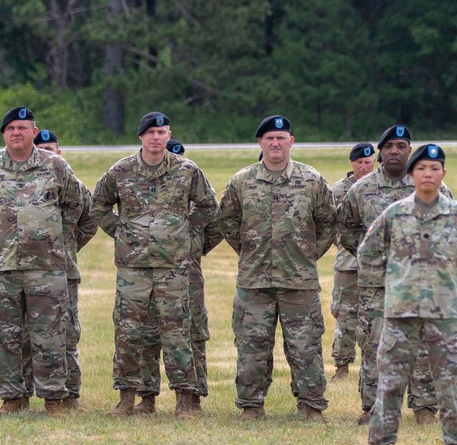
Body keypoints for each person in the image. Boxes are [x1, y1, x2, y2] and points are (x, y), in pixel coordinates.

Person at [356, 144, 457, 445]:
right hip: (401, 313)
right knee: (389, 385)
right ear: (412, 174)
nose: (428, 174)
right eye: (421, 169)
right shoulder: (394, 214)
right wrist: (396, 278)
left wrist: (451, 272)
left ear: (443, 173)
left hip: (443, 314)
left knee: (450, 386)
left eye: (434, 168)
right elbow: (367, 254)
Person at [92, 112, 220, 419]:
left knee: (178, 333)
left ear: (168, 134)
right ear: (141, 137)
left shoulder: (187, 170)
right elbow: (99, 205)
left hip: (173, 268)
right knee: (129, 332)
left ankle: (185, 400)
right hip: (133, 269)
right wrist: (123, 233)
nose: (156, 137)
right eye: (150, 132)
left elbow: (208, 206)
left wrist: (185, 235)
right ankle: (126, 399)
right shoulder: (121, 170)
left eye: (161, 132)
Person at [0, 107, 86, 415]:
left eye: (23, 127)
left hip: (46, 269)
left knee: (50, 335)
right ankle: (12, 397)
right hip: (1, 268)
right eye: (11, 128)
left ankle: (54, 398)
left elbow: (74, 205)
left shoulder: (55, 165)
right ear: (4, 134)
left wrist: (56, 238)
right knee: (4, 336)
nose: (16, 132)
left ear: (34, 132)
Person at [217, 115, 336, 422]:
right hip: (254, 282)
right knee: (252, 348)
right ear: (260, 143)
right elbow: (227, 221)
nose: (275, 143)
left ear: (291, 142)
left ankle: (311, 406)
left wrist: (309, 253)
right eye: (269, 138)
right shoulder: (242, 181)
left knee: (305, 347)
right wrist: (248, 251)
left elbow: (328, 222)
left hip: (300, 282)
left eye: (281, 138)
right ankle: (251, 405)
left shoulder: (311, 180)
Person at [338, 125, 446, 425]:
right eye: (389, 147)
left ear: (410, 150)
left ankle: (424, 408)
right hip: (377, 285)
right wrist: (368, 255)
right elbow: (345, 226)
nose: (395, 151)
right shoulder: (361, 189)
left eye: (401, 145)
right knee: (375, 345)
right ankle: (374, 408)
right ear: (380, 152)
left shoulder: (428, 183)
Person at [134, 138, 223, 414]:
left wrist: (191, 243)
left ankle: (193, 396)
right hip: (150, 271)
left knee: (193, 333)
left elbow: (216, 224)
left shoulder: (196, 199)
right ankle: (146, 396)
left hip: (188, 274)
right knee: (148, 333)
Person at [32, 129, 99, 410]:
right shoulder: (23, 183)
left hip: (62, 271)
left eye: (51, 148)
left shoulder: (73, 184)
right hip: (26, 269)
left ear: (60, 152)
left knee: (66, 332)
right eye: (42, 148)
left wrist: (67, 246)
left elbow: (90, 219)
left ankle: (70, 395)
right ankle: (20, 394)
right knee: (25, 334)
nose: (47, 152)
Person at [329, 142, 377, 381]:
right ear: (352, 164)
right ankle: (342, 366)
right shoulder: (339, 189)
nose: (364, 167)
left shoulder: (379, 187)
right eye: (359, 162)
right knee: (346, 315)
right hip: (348, 263)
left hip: (377, 266)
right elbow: (332, 225)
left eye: (368, 162)